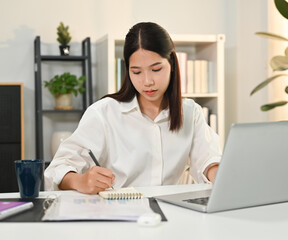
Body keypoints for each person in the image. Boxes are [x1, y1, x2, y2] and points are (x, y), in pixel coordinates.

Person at [44, 22, 221, 194]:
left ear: (172, 65)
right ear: (127, 70)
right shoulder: (103, 113)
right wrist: (82, 181)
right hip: (119, 215)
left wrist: (216, 173)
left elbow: (208, 160)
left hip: (171, 214)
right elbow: (57, 169)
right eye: (136, 72)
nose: (147, 81)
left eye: (156, 69)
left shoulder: (190, 112)